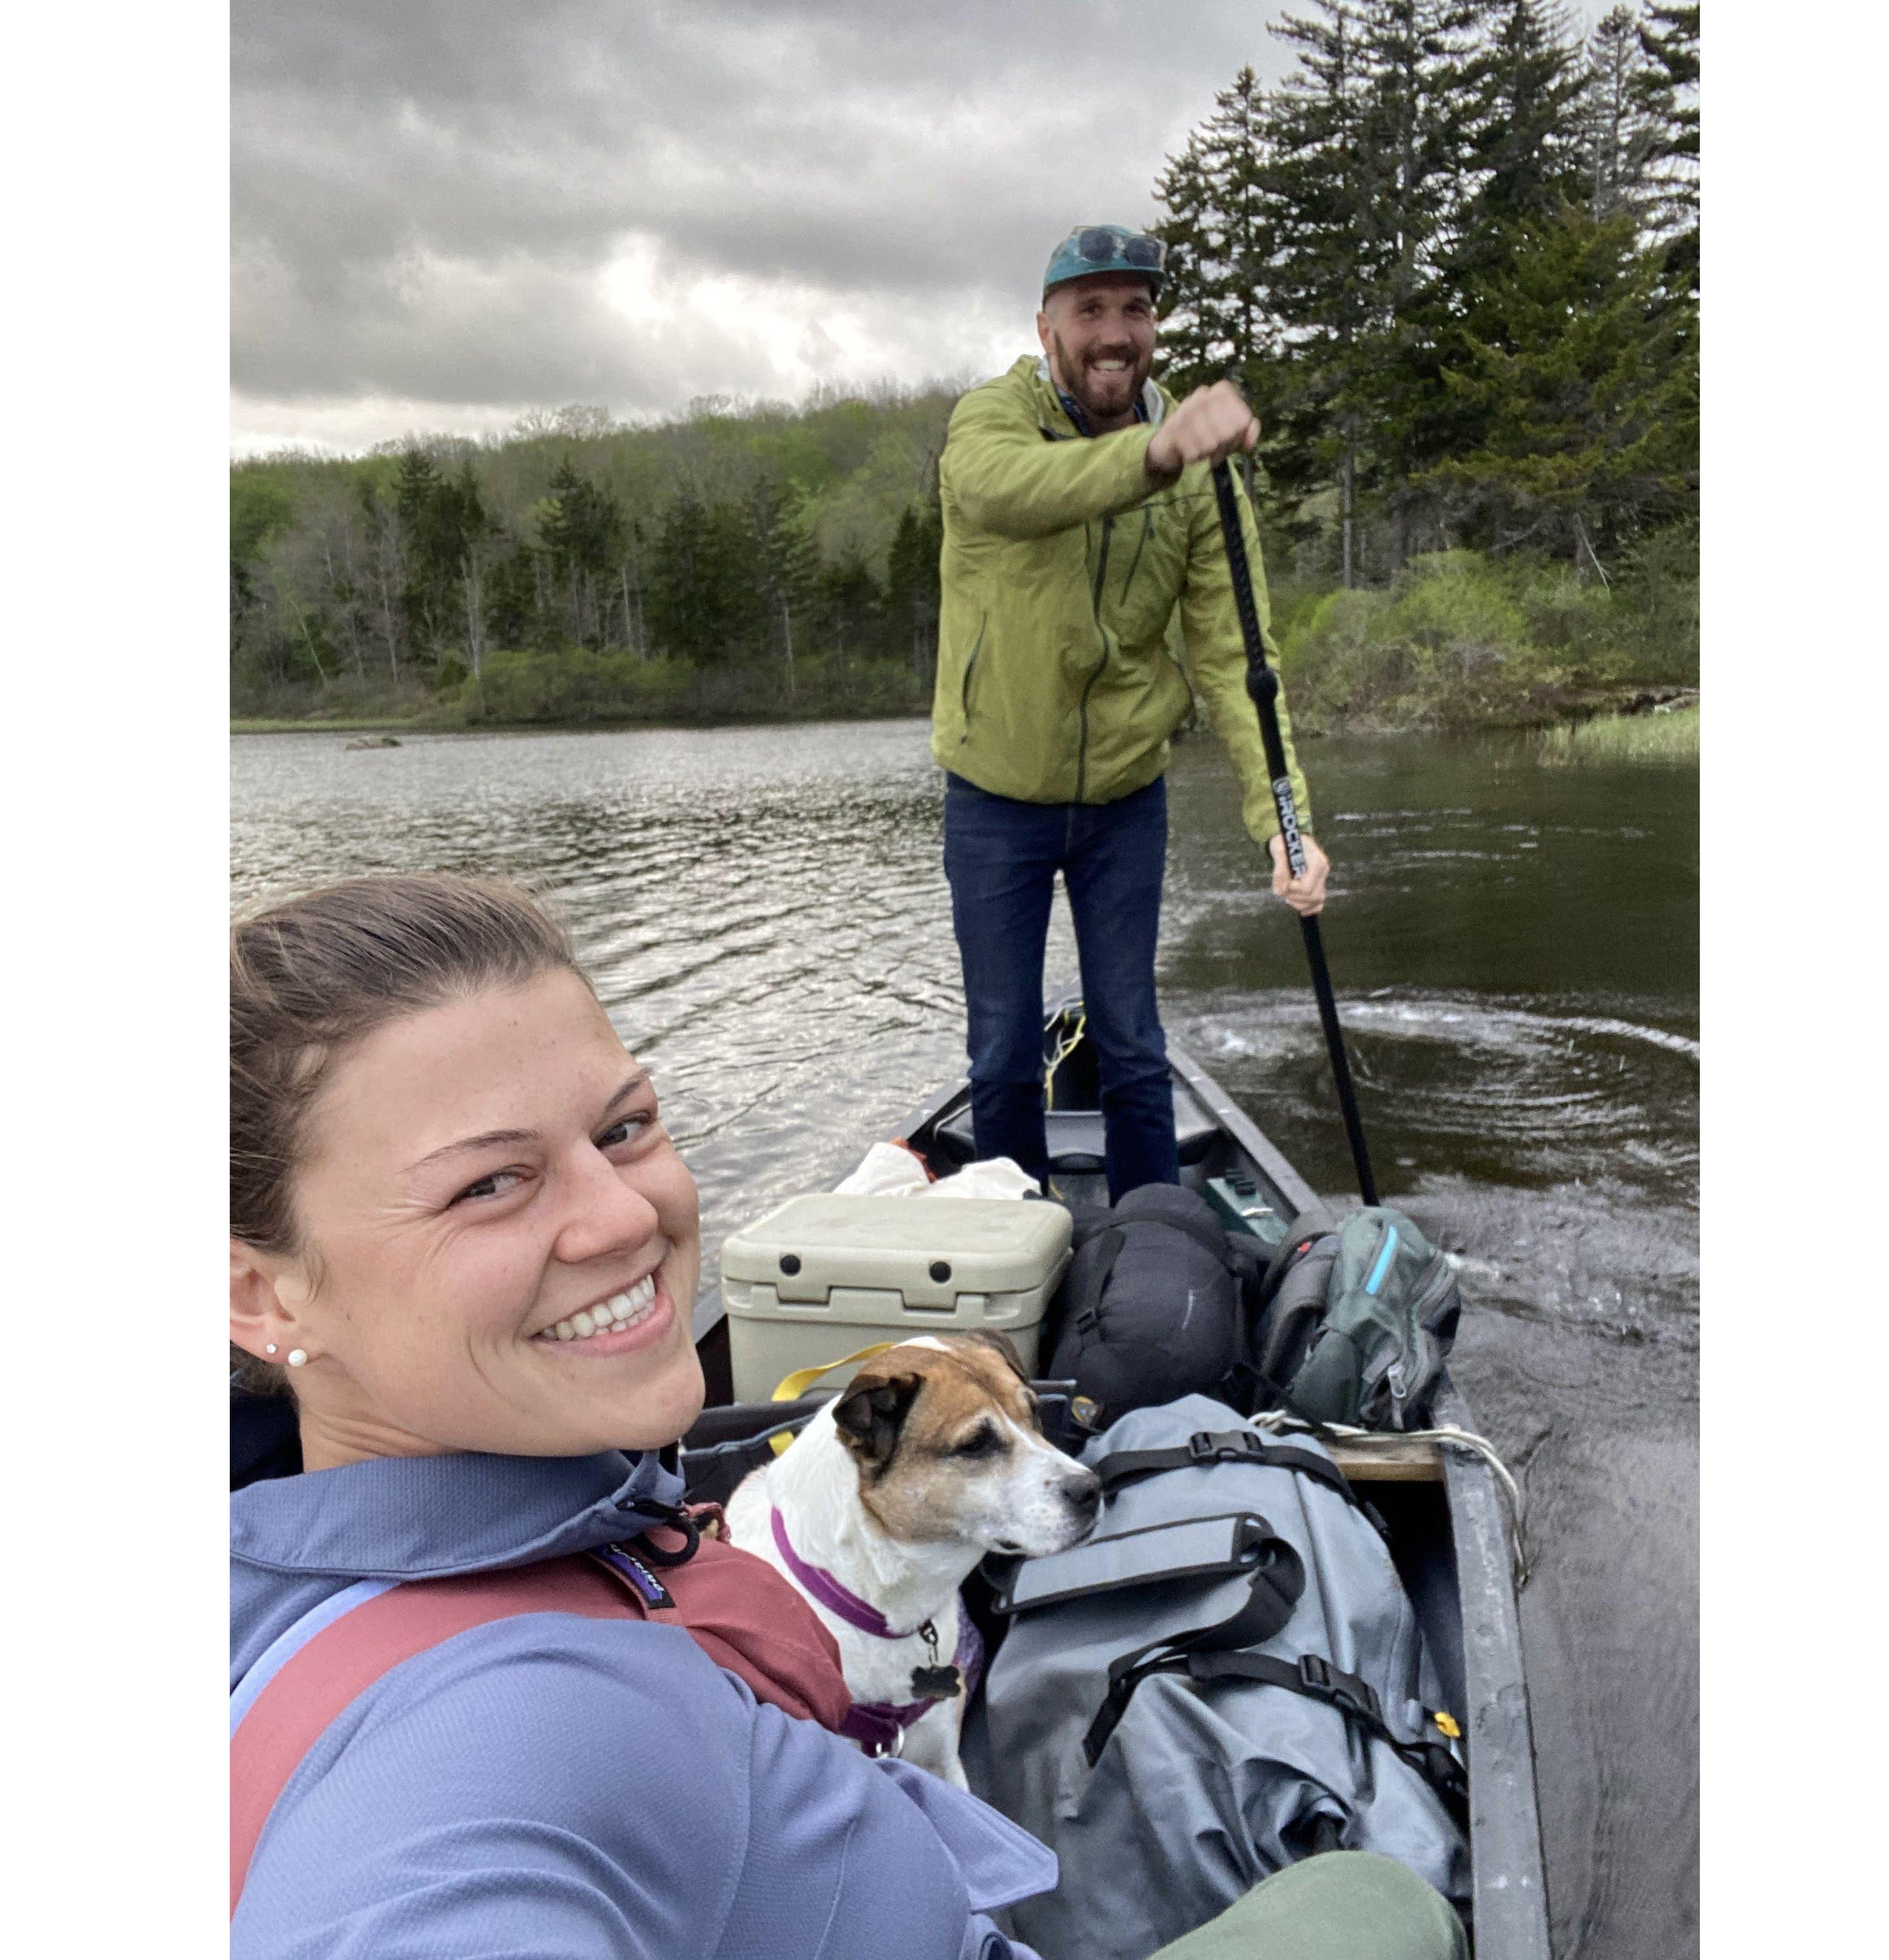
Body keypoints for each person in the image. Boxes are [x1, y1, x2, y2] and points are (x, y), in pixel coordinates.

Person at [228, 872, 1462, 1960]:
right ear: (256, 1289)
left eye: (625, 1126)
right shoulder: (490, 1756)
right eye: (488, 1181)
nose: (621, 1217)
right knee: (1380, 1902)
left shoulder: (285, 1574)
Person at [934, 223, 1331, 1202]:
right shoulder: (990, 423)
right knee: (1001, 1055)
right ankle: (1015, 1256)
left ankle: (1159, 1238)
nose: (1116, 331)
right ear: (1047, 326)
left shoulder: (1200, 462)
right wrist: (1155, 455)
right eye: (1092, 309)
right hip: (994, 798)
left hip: (1124, 799)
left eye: (1137, 310)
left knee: (1133, 1043)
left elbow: (1237, 652)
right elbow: (1019, 492)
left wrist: (1284, 822)